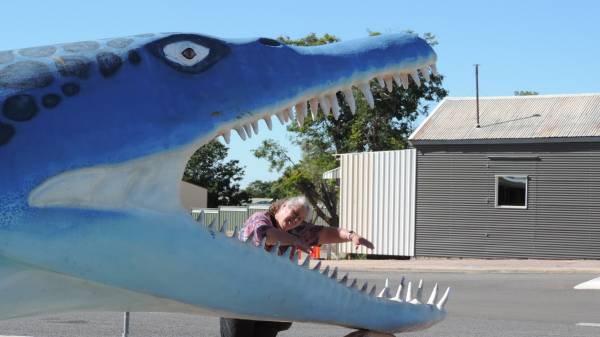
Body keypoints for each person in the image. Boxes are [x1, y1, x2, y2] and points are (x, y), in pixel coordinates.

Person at [220, 196, 374, 337]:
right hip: (239, 295)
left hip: (269, 299)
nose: (295, 221)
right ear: (283, 206)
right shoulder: (260, 219)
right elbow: (265, 235)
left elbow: (325, 233)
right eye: (293, 214)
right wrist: (294, 240)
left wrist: (351, 236)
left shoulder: (296, 230)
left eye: (300, 219)